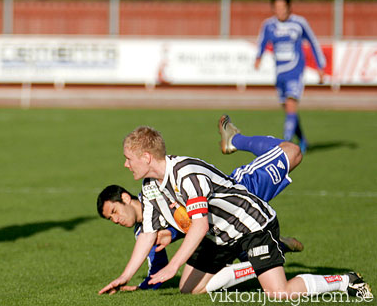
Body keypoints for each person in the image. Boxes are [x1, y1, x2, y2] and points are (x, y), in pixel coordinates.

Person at [98, 116, 372, 300]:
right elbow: (147, 233)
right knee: (189, 289)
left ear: (146, 157)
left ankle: (345, 281)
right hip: (221, 235)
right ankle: (256, 264)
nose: (125, 164)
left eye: (128, 158)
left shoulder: (187, 174)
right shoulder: (150, 185)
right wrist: (123, 276)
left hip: (251, 224)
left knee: (278, 293)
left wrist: (174, 266)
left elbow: (200, 225)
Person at [255, 0, 326, 153]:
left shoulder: (299, 23)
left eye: (283, 7)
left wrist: (320, 67)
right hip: (280, 72)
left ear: (289, 7)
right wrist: (258, 57)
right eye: (277, 7)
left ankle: (285, 144)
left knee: (291, 103)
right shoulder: (269, 25)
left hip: (296, 70)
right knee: (287, 107)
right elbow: (262, 42)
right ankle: (302, 140)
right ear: (273, 9)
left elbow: (313, 42)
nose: (280, 10)